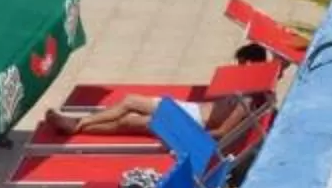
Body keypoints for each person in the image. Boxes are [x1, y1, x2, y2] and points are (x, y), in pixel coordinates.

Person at [38, 44, 275, 142]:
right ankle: (76, 125)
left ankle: (77, 124)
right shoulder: (248, 87)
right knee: (130, 112)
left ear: (250, 64)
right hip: (189, 110)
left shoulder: (247, 99)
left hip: (190, 121)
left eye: (241, 63)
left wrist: (188, 136)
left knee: (130, 113)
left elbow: (223, 131)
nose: (238, 67)